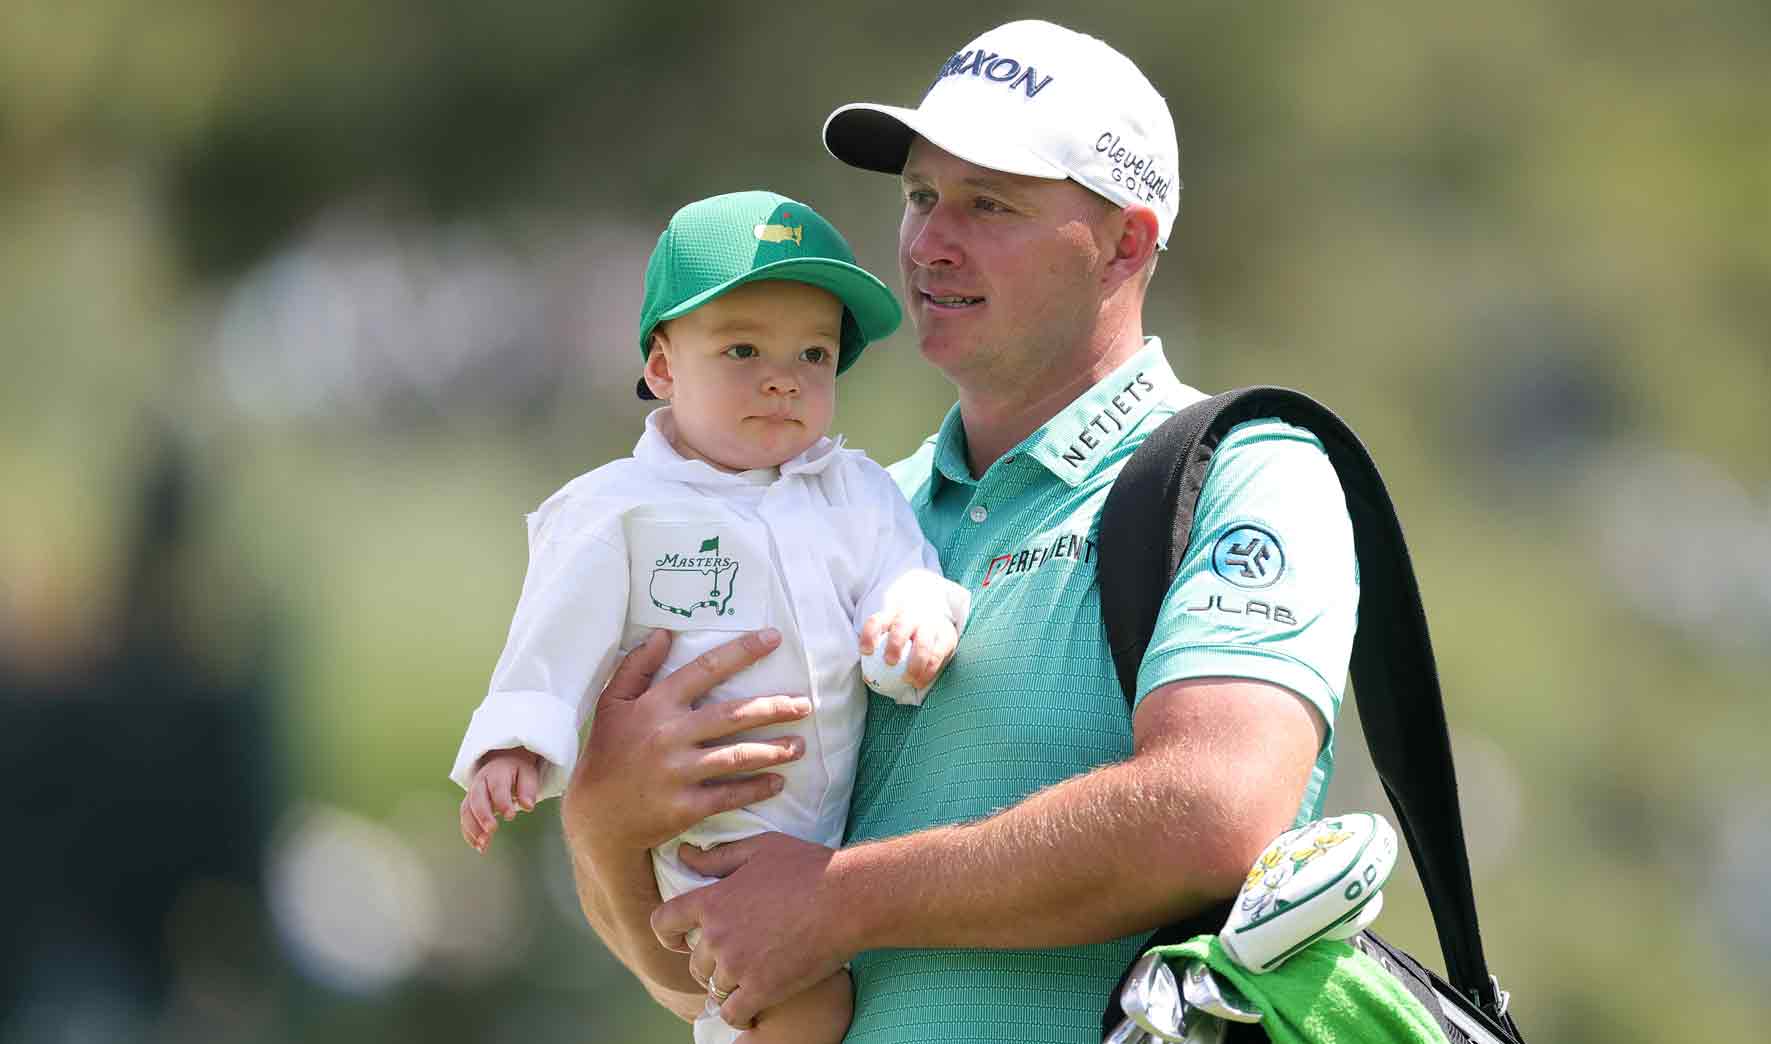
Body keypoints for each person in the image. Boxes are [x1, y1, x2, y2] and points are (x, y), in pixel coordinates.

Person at [560, 20, 1361, 1044]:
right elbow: (721, 973)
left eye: (990, 204)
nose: (930, 241)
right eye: (921, 196)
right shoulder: (842, 512)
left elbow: (1211, 812)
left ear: (1126, 238)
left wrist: (840, 899)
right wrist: (603, 832)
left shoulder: (1247, 471)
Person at [450, 190, 970, 1044]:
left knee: (806, 994)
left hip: (827, 837)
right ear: (661, 366)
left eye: (813, 353)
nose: (783, 377)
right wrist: (514, 741)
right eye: (741, 349)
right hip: (703, 841)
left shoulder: (859, 489)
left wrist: (912, 618)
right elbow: (554, 635)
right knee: (799, 1005)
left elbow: (903, 574)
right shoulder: (618, 508)